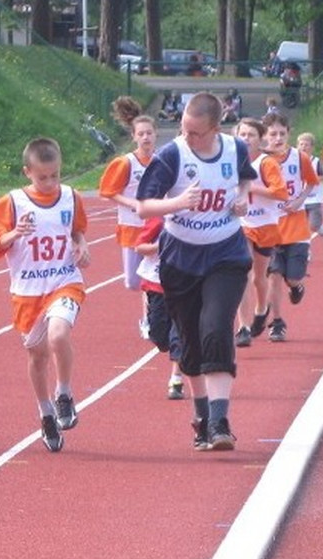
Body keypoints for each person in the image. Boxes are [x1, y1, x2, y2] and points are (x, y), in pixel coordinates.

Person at [135, 92, 257, 451]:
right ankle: (202, 416)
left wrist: (243, 197)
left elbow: (246, 179)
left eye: (196, 132)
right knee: (187, 340)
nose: (188, 137)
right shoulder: (173, 154)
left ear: (216, 128)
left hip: (226, 254)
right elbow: (144, 207)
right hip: (180, 258)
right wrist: (178, 203)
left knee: (216, 326)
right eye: (184, 129)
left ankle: (220, 421)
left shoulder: (235, 150)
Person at [0, 137, 90, 453]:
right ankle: (45, 413)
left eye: (55, 175)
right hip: (28, 292)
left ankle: (65, 393)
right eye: (43, 177)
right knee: (37, 355)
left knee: (58, 335)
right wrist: (15, 234)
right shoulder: (12, 203)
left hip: (64, 281)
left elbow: (77, 230)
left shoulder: (71, 197)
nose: (50, 182)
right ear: (27, 172)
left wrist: (81, 245)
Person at [100, 96, 158, 337]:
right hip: (131, 228)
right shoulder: (125, 163)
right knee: (132, 282)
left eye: (149, 133)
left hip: (154, 228)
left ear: (156, 135)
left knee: (149, 277)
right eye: (141, 133)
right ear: (134, 136)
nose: (146, 137)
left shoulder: (163, 161)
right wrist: (132, 203)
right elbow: (107, 191)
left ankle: (150, 320)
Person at [231, 117, 288, 348]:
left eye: (251, 135)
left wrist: (251, 186)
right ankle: (243, 327)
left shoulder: (266, 163)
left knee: (258, 278)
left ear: (260, 138)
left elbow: (281, 192)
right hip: (240, 225)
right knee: (242, 272)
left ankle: (262, 309)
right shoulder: (230, 160)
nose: (246, 139)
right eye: (242, 134)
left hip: (265, 225)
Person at [262, 112, 318, 343]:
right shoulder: (260, 161)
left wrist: (299, 199)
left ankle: (296, 286)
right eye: (272, 134)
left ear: (288, 134)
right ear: (265, 136)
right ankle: (277, 322)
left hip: (296, 228)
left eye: (281, 134)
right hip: (270, 227)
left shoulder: (298, 158)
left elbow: (312, 181)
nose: (277, 138)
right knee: (273, 275)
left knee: (292, 278)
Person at [133, 216, 186, 399]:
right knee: (160, 337)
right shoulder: (158, 220)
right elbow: (139, 246)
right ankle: (163, 339)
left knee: (178, 334)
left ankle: (176, 379)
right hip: (156, 284)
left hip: (183, 284)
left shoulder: (192, 220)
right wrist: (159, 246)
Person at [296, 131, 323, 239]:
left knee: (313, 225)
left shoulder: (316, 161)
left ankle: (319, 227)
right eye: (301, 144)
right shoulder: (294, 161)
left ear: (312, 147)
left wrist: (313, 179)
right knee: (301, 227)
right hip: (300, 199)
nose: (303, 147)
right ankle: (305, 247)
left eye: (306, 145)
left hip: (314, 198)